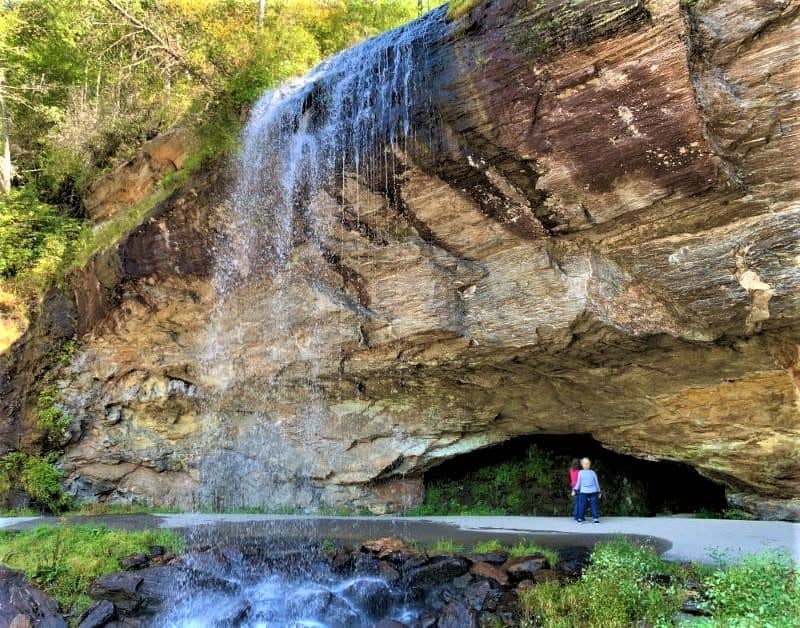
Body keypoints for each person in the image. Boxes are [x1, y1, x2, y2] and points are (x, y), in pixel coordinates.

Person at [573, 457, 602, 524]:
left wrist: (599, 491)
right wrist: (575, 490)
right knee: (582, 505)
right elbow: (578, 483)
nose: (586, 465)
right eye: (585, 464)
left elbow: (596, 482)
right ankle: (580, 518)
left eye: (588, 464)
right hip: (584, 492)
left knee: (593, 505)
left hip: (593, 492)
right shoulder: (581, 472)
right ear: (582, 465)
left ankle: (595, 519)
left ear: (590, 464)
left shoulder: (592, 472)